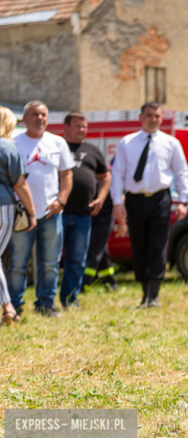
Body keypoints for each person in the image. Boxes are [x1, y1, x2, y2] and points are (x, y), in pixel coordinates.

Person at [111, 102, 188, 308]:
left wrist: (183, 200)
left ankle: (154, 294)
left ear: (162, 118)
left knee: (158, 245)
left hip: (160, 199)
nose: (153, 119)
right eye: (149, 115)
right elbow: (117, 173)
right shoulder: (127, 142)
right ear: (141, 117)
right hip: (135, 199)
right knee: (139, 245)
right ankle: (144, 291)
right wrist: (117, 202)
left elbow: (181, 172)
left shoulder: (171, 143)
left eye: (156, 115)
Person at [9, 101, 74, 318]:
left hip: (51, 213)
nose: (40, 118)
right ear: (24, 119)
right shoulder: (13, 143)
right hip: (22, 214)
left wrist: (61, 201)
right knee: (18, 263)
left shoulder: (58, 143)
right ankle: (14, 306)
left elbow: (66, 175)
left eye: (44, 115)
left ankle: (46, 304)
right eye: (35, 114)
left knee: (51, 263)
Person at [59, 112, 110, 308]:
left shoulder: (92, 150)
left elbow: (105, 176)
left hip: (83, 215)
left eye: (84, 126)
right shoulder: (57, 146)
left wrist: (101, 198)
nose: (82, 130)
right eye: (77, 126)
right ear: (65, 127)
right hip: (57, 214)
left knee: (77, 260)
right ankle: (45, 301)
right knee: (51, 260)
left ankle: (70, 299)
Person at [0, 106, 37, 325]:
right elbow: (20, 184)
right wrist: (32, 213)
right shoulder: (7, 146)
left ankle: (8, 308)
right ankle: (9, 308)